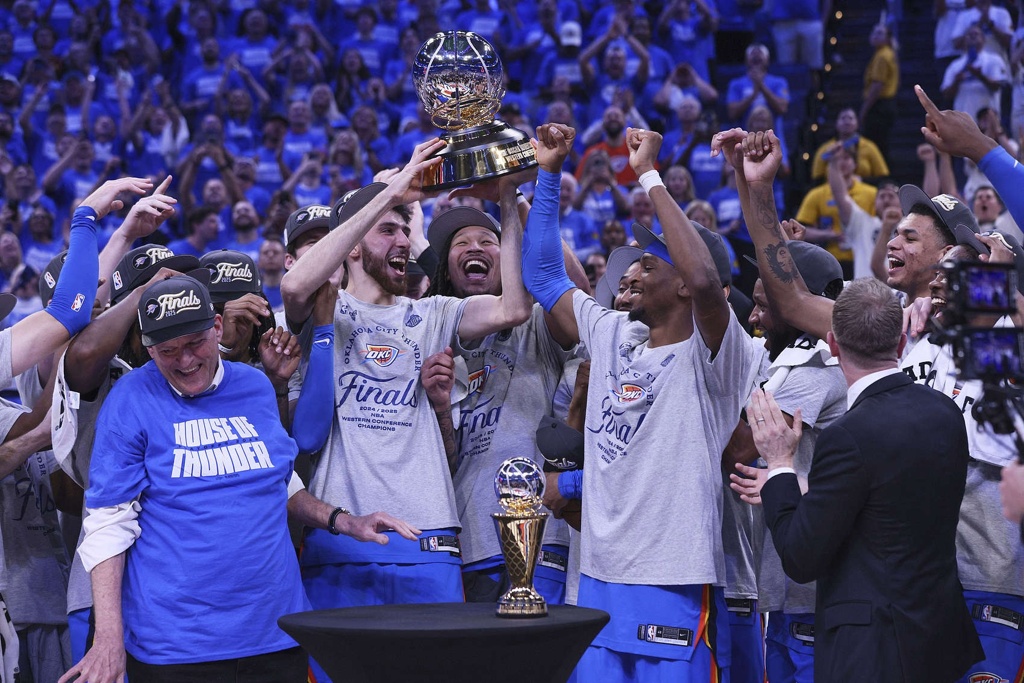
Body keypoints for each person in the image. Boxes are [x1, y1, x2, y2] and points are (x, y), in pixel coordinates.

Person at [59, 275, 418, 683]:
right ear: (149, 347)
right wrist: (108, 637)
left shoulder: (255, 386)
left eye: (195, 343)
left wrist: (344, 521)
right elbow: (108, 523)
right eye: (168, 350)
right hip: (175, 646)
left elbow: (278, 480)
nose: (185, 360)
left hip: (275, 632)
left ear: (216, 327)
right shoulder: (130, 398)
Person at [279, 139, 533, 679]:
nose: (403, 242)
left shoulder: (433, 313)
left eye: (405, 230)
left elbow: (514, 307)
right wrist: (390, 191)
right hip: (343, 546)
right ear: (352, 247)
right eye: (388, 231)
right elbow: (296, 282)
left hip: (430, 544)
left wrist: (510, 203)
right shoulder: (326, 310)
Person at [522, 122, 753, 679]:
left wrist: (648, 174)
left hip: (672, 575)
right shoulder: (612, 332)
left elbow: (706, 281)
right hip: (599, 573)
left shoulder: (718, 354)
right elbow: (544, 274)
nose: (632, 273)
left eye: (649, 264)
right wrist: (548, 173)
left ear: (683, 285)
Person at [747, 277, 983, 681]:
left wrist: (780, 464)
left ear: (833, 345)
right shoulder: (945, 412)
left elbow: (801, 558)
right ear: (901, 343)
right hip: (940, 643)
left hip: (871, 651)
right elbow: (891, 501)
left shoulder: (847, 435)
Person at [860, 23, 899, 162]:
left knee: (876, 146)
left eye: (880, 33)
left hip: (879, 106)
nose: (875, 36)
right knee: (882, 144)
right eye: (874, 32)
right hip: (887, 105)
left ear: (888, 39)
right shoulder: (888, 53)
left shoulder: (882, 56)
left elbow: (877, 86)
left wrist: (864, 110)